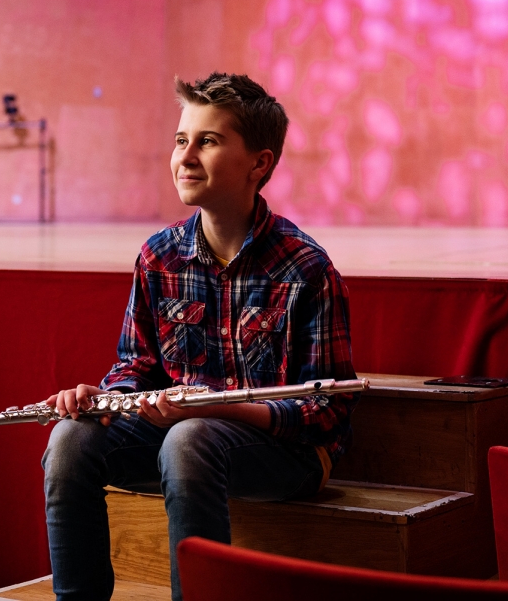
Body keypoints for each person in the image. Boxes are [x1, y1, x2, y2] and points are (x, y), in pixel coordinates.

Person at [42, 72, 358, 601]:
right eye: (180, 140)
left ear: (259, 164)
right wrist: (109, 398)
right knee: (70, 440)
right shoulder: (159, 256)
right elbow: (136, 366)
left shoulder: (306, 267)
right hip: (179, 435)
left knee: (190, 440)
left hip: (287, 454)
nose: (185, 157)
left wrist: (220, 410)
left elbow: (326, 412)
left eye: (207, 141)